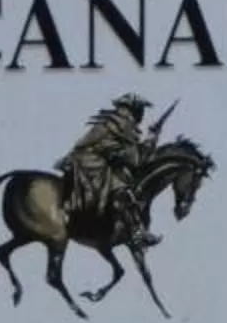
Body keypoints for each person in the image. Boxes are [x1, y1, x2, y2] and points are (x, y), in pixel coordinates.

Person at [59, 95, 155, 238]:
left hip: (102, 161)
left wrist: (150, 139)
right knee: (122, 190)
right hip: (92, 162)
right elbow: (132, 157)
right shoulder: (120, 124)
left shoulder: (123, 124)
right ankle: (135, 231)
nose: (142, 114)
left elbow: (133, 156)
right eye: (140, 109)